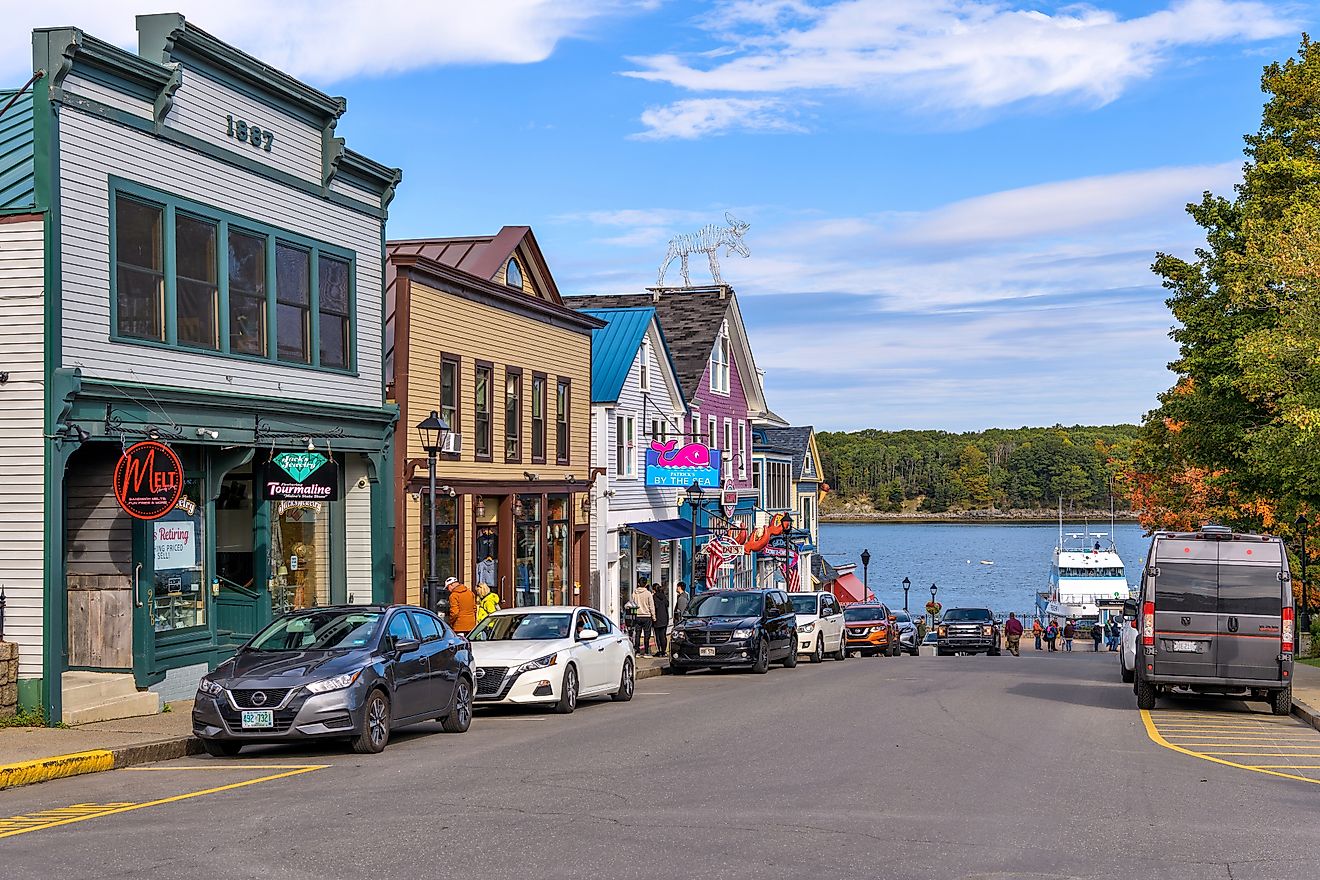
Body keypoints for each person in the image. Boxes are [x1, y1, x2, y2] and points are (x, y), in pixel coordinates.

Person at [630, 581, 655, 655]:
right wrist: (653, 616)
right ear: (646, 584)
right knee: (647, 634)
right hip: (647, 616)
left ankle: (637, 651)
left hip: (637, 615)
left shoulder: (634, 593)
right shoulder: (648, 593)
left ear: (638, 584)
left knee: (638, 633)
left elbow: (632, 604)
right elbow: (651, 606)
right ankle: (646, 651)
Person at [652, 581, 670, 657]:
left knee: (658, 636)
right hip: (664, 618)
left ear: (654, 590)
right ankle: (664, 651)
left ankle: (659, 651)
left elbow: (654, 607)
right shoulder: (664, 596)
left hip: (657, 618)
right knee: (663, 635)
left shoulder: (654, 597)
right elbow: (667, 604)